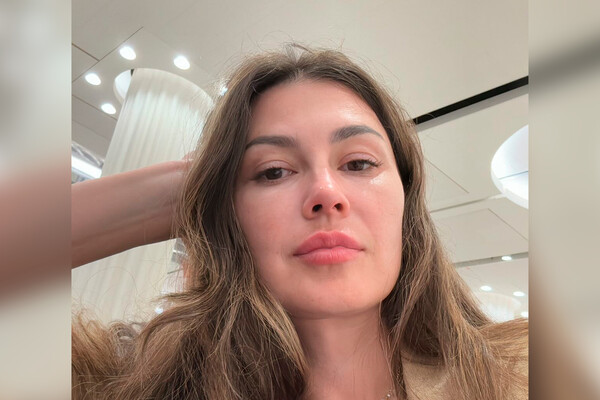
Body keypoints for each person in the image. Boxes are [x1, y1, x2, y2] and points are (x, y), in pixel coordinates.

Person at [71, 45, 528, 400]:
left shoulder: (523, 373)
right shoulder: (133, 384)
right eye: (273, 172)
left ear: (406, 199)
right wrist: (198, 192)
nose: (326, 193)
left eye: (359, 163)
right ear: (230, 213)